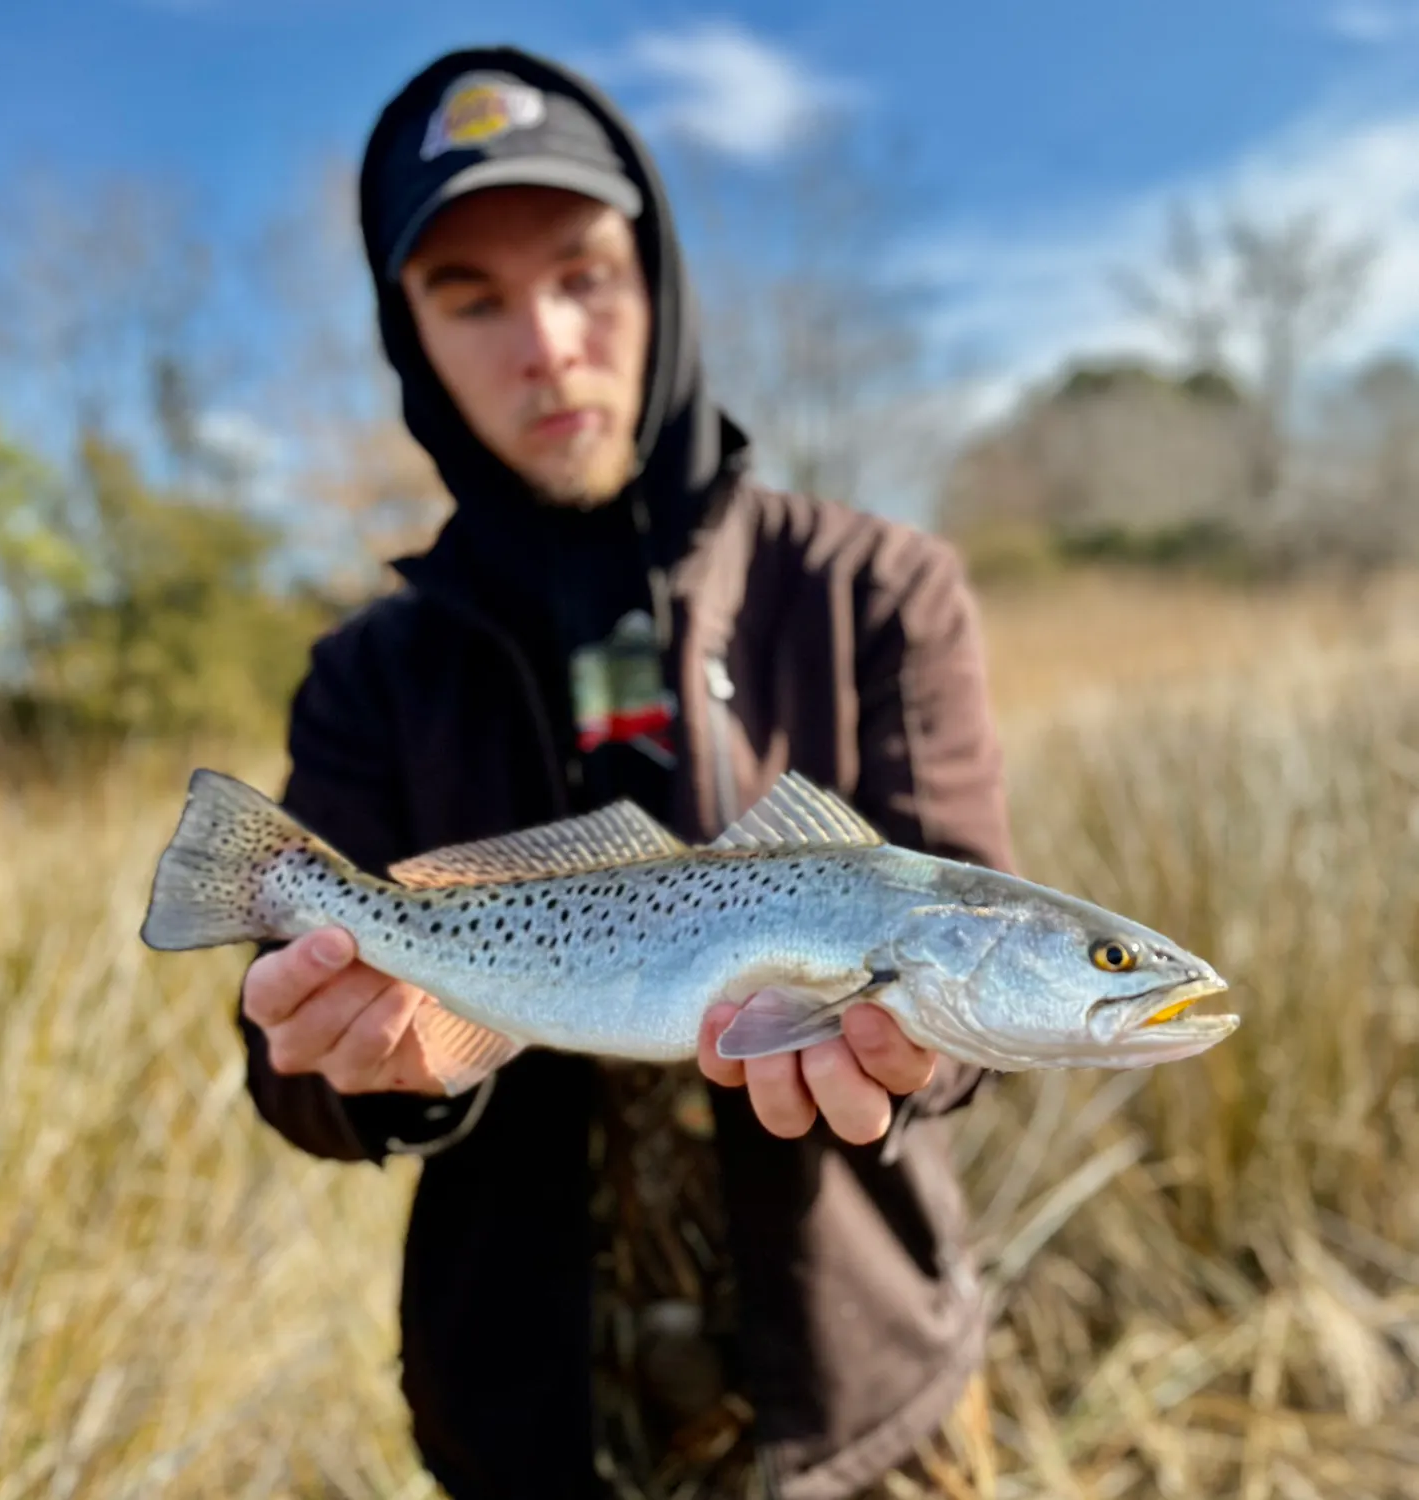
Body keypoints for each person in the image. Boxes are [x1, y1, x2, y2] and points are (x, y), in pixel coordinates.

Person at [236, 44, 1016, 1500]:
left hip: (867, 1413)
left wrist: (926, 1049)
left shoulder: (876, 591)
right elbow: (289, 1079)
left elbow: (969, 980)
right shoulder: (367, 674)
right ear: (406, 334)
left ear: (658, 278)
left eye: (585, 272)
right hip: (524, 1434)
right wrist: (377, 1074)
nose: (545, 342)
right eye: (469, 296)